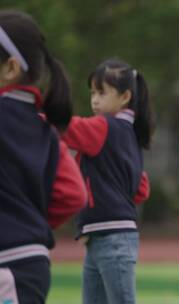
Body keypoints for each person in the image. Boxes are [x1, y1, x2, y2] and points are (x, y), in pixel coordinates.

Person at [0, 9, 86, 304]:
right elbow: (73, 194)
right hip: (32, 263)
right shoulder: (46, 130)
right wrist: (29, 220)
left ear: (10, 68)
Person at [61, 58, 153, 304]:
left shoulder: (103, 127)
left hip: (112, 238)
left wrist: (28, 115)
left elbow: (68, 128)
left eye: (101, 92)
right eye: (92, 92)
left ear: (124, 97)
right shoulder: (131, 136)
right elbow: (141, 190)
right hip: (102, 239)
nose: (94, 99)